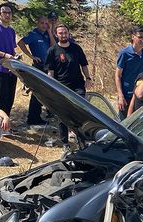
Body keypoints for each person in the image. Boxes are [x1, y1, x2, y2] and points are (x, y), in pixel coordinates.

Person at [44, 24, 92, 155]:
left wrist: (88, 78)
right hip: (61, 86)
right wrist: (51, 86)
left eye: (65, 32)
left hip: (78, 86)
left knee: (80, 112)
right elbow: (50, 71)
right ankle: (65, 143)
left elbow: (84, 65)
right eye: (60, 33)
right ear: (56, 35)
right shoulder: (52, 50)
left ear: (68, 33)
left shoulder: (76, 48)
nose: (63, 35)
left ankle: (82, 140)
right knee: (62, 115)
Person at [18, 15, 54, 125]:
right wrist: (30, 56)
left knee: (44, 93)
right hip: (39, 66)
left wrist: (50, 31)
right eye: (42, 23)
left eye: (46, 23)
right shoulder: (33, 34)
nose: (44, 25)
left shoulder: (47, 35)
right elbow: (20, 43)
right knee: (37, 92)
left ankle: (37, 116)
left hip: (48, 66)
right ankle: (32, 118)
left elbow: (54, 46)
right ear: (38, 23)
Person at [115, 26, 143, 119]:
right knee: (125, 123)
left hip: (141, 95)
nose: (142, 40)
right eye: (140, 37)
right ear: (133, 37)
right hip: (127, 94)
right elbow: (118, 75)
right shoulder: (125, 53)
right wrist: (120, 95)